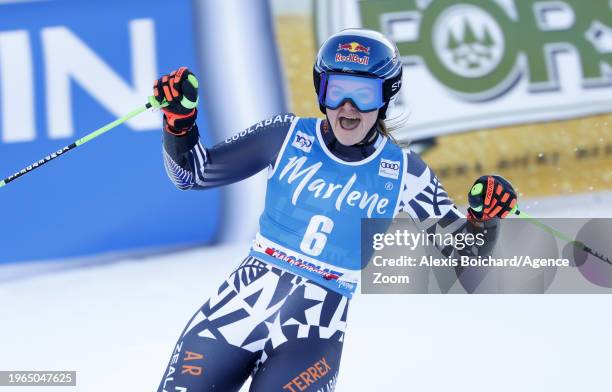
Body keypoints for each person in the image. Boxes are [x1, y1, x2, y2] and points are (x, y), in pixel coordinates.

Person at [155, 29, 517, 392]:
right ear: (320, 91)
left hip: (312, 331)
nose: (348, 108)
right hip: (234, 311)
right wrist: (179, 124)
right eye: (337, 91)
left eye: (363, 94)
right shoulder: (285, 135)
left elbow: (465, 260)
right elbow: (192, 175)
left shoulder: (406, 172)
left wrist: (486, 221)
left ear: (385, 98)